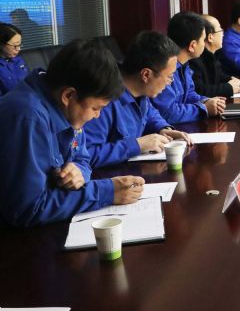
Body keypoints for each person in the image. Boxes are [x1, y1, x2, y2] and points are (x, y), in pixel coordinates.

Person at [0, 39, 143, 227]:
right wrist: (107, 192)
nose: (97, 116)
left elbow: (82, 158)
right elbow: (27, 208)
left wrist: (79, 172)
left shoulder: (68, 109)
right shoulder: (28, 117)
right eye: (95, 108)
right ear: (68, 95)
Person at [84, 31, 192, 168]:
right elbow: (86, 155)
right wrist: (136, 146)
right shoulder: (103, 101)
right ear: (146, 74)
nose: (170, 82)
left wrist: (163, 128)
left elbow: (150, 114)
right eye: (169, 76)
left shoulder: (141, 91)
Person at [153, 12, 226, 124]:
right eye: (203, 40)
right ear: (192, 45)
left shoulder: (185, 64)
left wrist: (207, 101)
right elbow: (167, 113)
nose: (204, 44)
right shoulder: (164, 69)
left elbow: (189, 95)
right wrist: (204, 109)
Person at [190, 15, 240, 98]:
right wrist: (229, 88)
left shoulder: (213, 55)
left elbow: (219, 76)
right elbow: (199, 89)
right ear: (210, 37)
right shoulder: (194, 60)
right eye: (220, 30)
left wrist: (233, 80)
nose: (223, 34)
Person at [0, 23, 28, 95]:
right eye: (15, 45)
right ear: (1, 44)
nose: (19, 49)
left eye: (19, 44)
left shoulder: (18, 60)